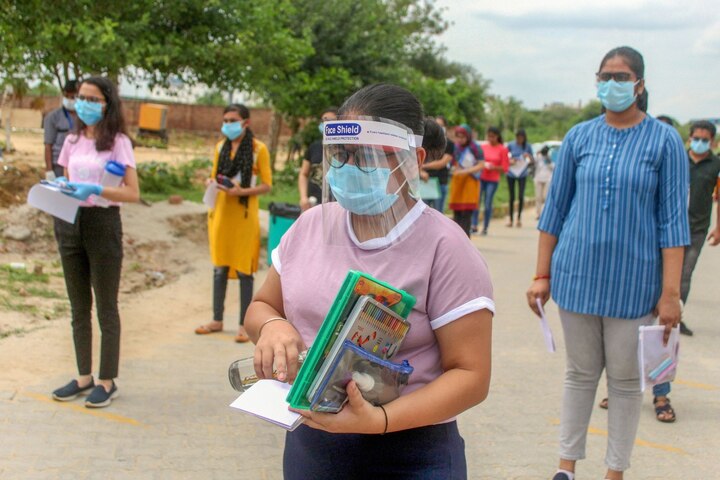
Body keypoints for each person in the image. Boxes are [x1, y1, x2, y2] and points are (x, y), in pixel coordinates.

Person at [244, 84, 494, 479]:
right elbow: (262, 307)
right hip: (313, 447)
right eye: (341, 155)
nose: (349, 167)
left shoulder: (445, 248)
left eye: (370, 156)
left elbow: (471, 377)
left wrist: (379, 421)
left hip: (411, 450)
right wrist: (272, 327)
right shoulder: (310, 226)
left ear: (415, 160)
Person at [527, 46, 689, 480]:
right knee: (579, 375)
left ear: (639, 84)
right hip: (575, 278)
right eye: (605, 76)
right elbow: (554, 212)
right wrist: (542, 274)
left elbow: (673, 224)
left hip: (634, 283)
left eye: (621, 77)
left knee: (623, 383)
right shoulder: (579, 137)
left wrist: (670, 294)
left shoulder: (665, 141)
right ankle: (566, 468)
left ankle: (614, 471)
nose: (612, 84)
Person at [50, 76, 140, 408]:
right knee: (78, 307)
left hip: (103, 224)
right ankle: (82, 376)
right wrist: (61, 188)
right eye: (81, 98)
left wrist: (98, 190)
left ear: (107, 103)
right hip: (69, 222)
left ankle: (106, 379)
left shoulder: (118, 141)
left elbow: (133, 192)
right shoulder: (72, 139)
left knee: (106, 306)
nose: (85, 103)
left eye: (93, 98)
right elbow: (63, 177)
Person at [194, 104, 272, 343]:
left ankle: (243, 324)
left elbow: (267, 185)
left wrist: (242, 191)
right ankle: (217, 319)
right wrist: (211, 180)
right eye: (225, 120)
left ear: (246, 123)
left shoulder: (259, 150)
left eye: (233, 120)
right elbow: (215, 173)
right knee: (219, 268)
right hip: (221, 214)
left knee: (244, 271)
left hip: (244, 216)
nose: (228, 124)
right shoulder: (221, 147)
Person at [448, 124, 485, 236]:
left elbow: (481, 164)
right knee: (457, 214)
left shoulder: (475, 148)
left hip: (470, 183)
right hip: (458, 182)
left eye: (462, 137)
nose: (460, 139)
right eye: (458, 136)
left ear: (468, 136)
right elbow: (452, 163)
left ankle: (466, 241)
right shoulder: (456, 148)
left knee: (466, 215)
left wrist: (466, 171)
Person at [299, 108, 337, 211]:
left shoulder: (344, 149)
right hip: (312, 202)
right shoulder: (314, 147)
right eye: (323, 121)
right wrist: (303, 197)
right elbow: (303, 174)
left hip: (335, 205)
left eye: (330, 121)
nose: (325, 124)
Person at [474, 127, 509, 235]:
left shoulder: (502, 149)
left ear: (497, 137)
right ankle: (474, 224)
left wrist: (493, 167)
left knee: (488, 202)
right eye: (489, 136)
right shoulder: (483, 147)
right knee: (476, 201)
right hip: (481, 177)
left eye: (493, 136)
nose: (490, 138)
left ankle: (485, 226)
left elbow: (505, 168)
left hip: (492, 179)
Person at [43, 80, 79, 180]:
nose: (71, 100)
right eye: (68, 97)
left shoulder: (84, 118)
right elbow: (48, 145)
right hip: (58, 165)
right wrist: (49, 170)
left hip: (78, 165)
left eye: (74, 97)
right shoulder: (53, 117)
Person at [420, 115, 454, 212]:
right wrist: (421, 172)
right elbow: (415, 160)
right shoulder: (425, 142)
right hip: (425, 182)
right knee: (423, 214)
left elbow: (442, 163)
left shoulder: (450, 144)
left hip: (440, 183)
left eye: (441, 125)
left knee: (438, 214)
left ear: (445, 128)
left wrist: (422, 166)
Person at [506, 128, 534, 227]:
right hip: (511, 172)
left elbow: (532, 161)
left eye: (521, 138)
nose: (520, 139)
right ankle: (510, 219)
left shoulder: (528, 146)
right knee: (512, 196)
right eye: (518, 138)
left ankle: (519, 218)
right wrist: (511, 160)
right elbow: (505, 158)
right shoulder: (510, 145)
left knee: (521, 196)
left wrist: (528, 157)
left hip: (522, 173)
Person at [533, 145, 554, 219]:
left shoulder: (549, 157)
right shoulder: (538, 157)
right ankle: (538, 213)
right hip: (538, 178)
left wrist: (548, 161)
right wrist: (536, 153)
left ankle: (546, 214)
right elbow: (533, 163)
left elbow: (553, 167)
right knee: (538, 197)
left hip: (547, 178)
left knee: (546, 197)